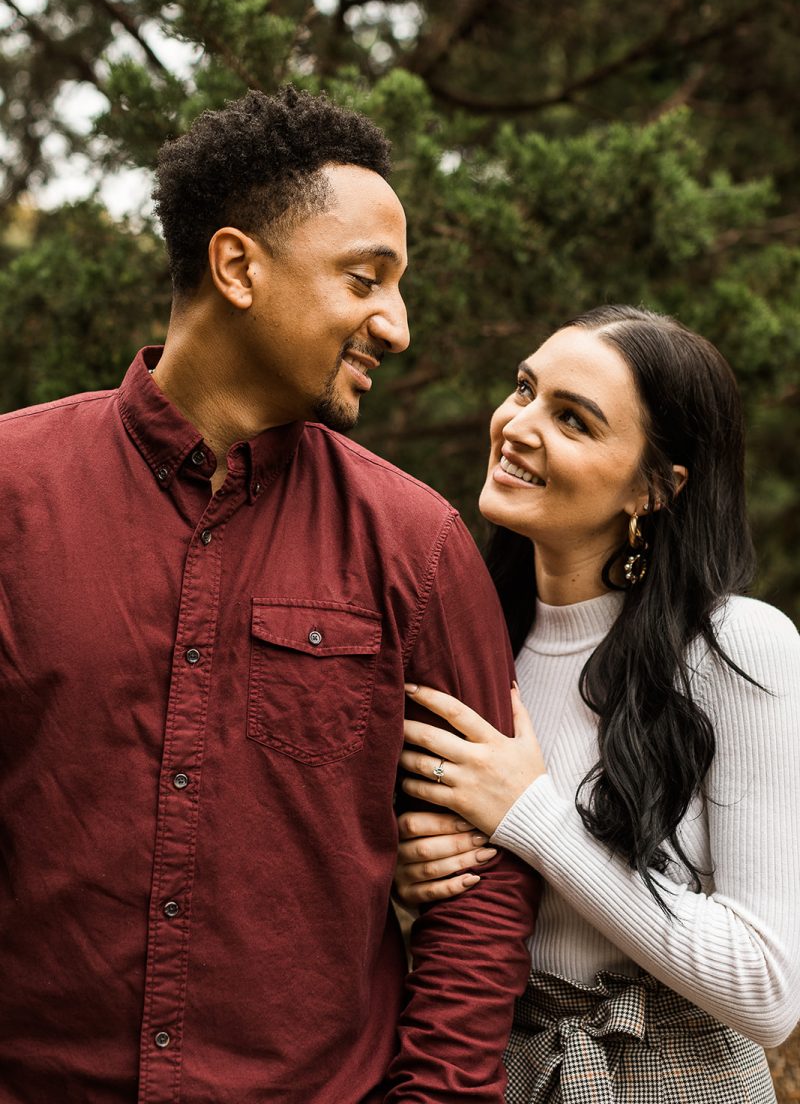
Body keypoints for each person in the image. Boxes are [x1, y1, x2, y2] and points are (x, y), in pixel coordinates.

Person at [0, 87, 539, 1103]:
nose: (397, 326)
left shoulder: (417, 546)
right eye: (364, 279)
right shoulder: (10, 494)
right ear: (238, 266)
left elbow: (485, 882)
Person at [394, 305, 800, 1102]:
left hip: (678, 1077)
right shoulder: (471, 645)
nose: (518, 425)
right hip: (503, 1072)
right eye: (525, 389)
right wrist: (408, 876)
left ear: (655, 487)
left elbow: (767, 989)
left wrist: (532, 816)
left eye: (573, 420)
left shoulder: (739, 649)